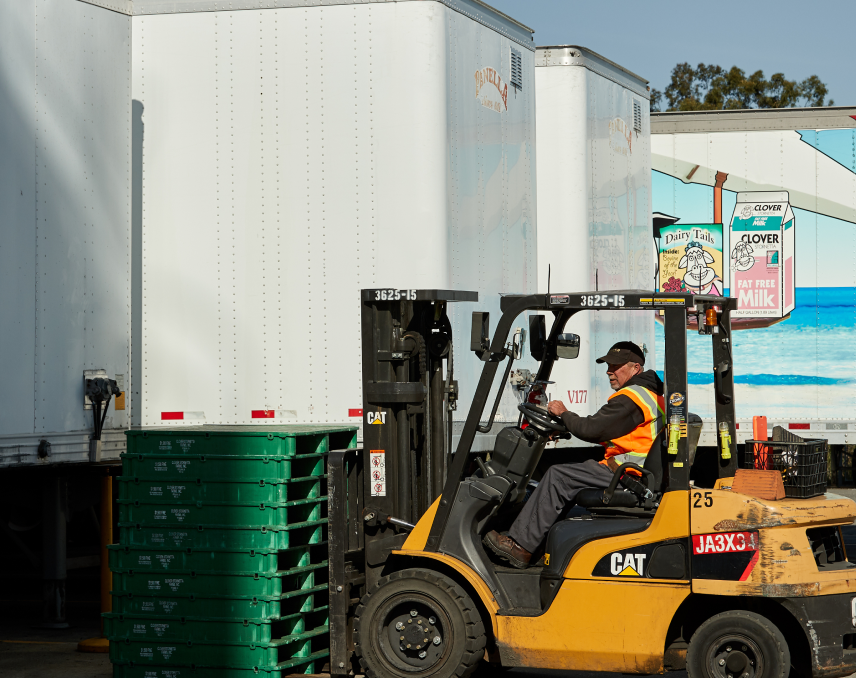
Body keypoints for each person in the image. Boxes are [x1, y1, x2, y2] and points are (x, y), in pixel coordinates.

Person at [483, 341, 664, 569]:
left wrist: (564, 413)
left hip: (628, 476)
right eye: (608, 365)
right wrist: (565, 425)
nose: (609, 371)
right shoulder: (650, 395)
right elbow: (609, 430)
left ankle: (520, 547)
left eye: (616, 366)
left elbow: (592, 429)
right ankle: (541, 545)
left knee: (558, 477)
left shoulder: (632, 397)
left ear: (635, 368)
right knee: (570, 474)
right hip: (633, 471)